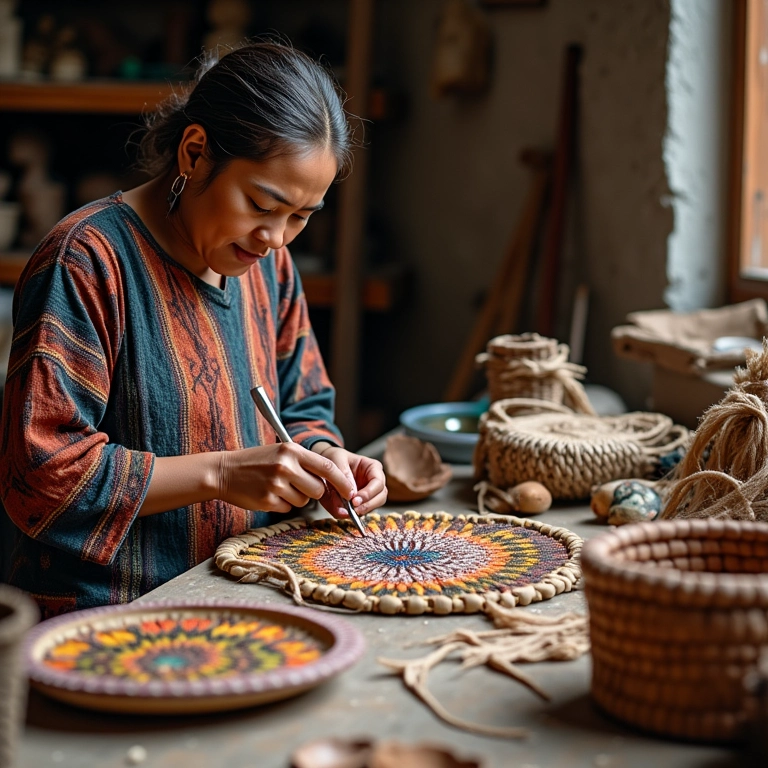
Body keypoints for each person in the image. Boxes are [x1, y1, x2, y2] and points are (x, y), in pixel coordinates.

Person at [0, 40, 387, 619]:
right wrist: (222, 472)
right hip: (106, 617)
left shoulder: (270, 268)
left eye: (301, 217)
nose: (276, 237)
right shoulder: (88, 260)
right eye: (261, 204)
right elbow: (40, 474)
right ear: (196, 153)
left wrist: (327, 459)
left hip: (239, 591)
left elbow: (303, 406)